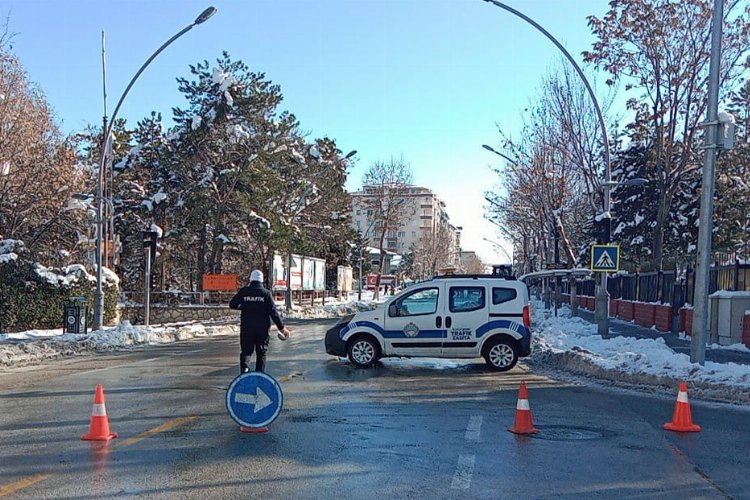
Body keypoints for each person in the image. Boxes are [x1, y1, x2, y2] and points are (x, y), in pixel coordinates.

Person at [229, 269, 291, 374]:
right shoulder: (266, 294)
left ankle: (245, 372)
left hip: (247, 328)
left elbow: (232, 304)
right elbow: (273, 312)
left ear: (251, 280)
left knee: (246, 352)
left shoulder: (244, 292)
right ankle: (259, 375)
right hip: (262, 329)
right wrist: (282, 328)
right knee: (261, 353)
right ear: (261, 281)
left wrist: (243, 306)